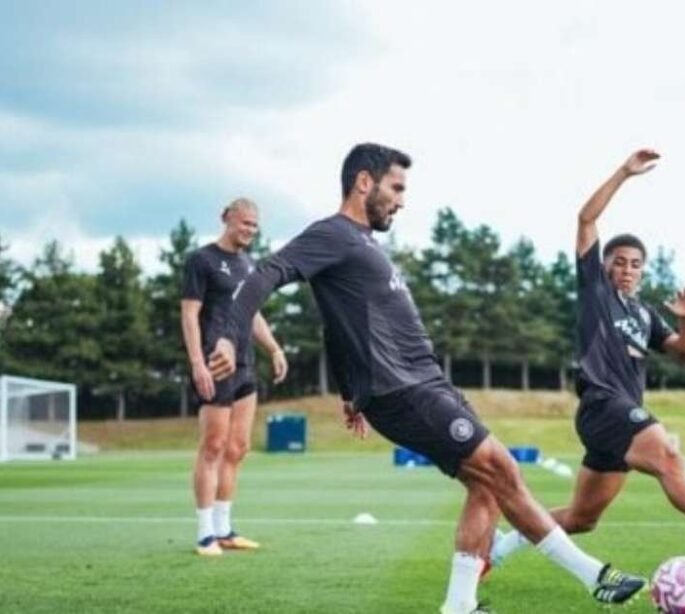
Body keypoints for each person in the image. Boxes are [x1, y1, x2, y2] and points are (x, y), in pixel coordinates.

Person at [207, 143, 647, 613]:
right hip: (403, 389)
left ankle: (460, 606)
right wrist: (232, 337)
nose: (401, 199)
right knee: (502, 469)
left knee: (486, 487)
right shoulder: (333, 234)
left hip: (423, 383)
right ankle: (593, 576)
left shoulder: (362, 244)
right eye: (396, 187)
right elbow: (264, 275)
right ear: (363, 182)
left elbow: (335, 324)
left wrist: (349, 392)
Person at [491, 149, 685, 568]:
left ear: (642, 272)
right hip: (602, 405)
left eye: (635, 265)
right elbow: (585, 220)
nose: (627, 269)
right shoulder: (596, 293)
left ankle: (499, 548)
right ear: (606, 266)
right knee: (668, 455)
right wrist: (624, 174)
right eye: (619, 262)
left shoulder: (645, 313)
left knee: (581, 518)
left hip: (618, 415)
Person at [181, 198, 288, 556]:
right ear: (227, 218)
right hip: (215, 363)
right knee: (212, 447)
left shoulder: (249, 266)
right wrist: (197, 362)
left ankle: (224, 529)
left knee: (237, 449)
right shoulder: (201, 261)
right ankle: (204, 534)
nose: (249, 230)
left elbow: (253, 315)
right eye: (244, 223)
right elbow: (190, 315)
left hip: (244, 365)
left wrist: (274, 348)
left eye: (254, 226)